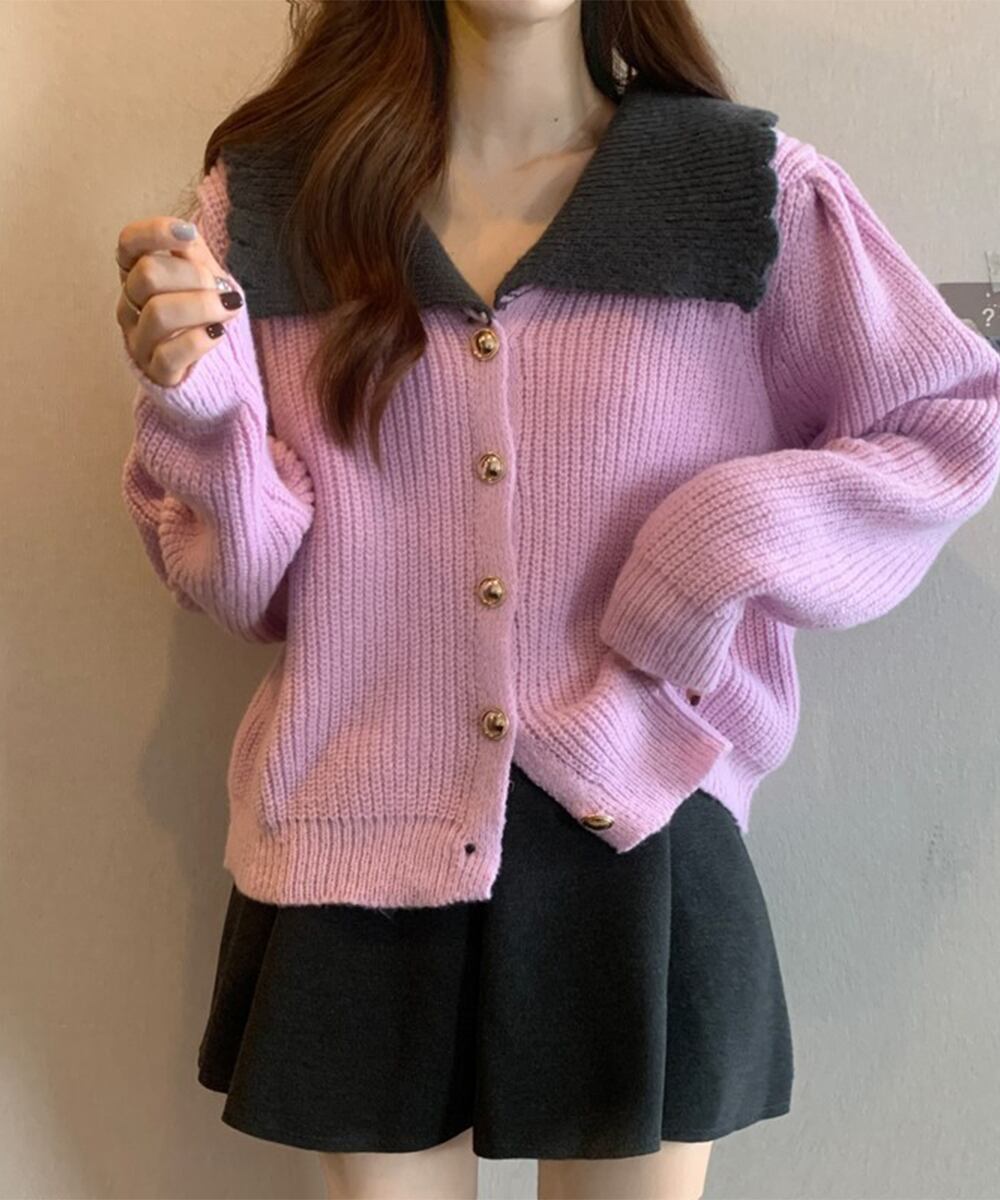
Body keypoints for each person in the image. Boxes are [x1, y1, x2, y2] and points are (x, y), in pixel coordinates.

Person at [113, 1, 1000, 1198]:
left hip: (637, 829)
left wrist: (713, 548)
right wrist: (204, 412)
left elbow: (949, 419)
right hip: (353, 832)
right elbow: (246, 589)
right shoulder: (276, 203)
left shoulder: (738, 191)